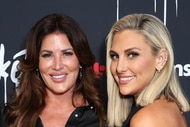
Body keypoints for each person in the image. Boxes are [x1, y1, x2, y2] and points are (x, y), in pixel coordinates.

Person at [3, 13, 106, 127]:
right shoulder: (13, 115)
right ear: (36, 62)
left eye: (67, 54)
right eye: (47, 55)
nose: (57, 66)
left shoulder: (102, 116)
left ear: (80, 60)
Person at [106, 13, 190, 127]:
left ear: (160, 59)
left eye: (132, 54)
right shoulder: (169, 107)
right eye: (115, 56)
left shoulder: (146, 119)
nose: (119, 68)